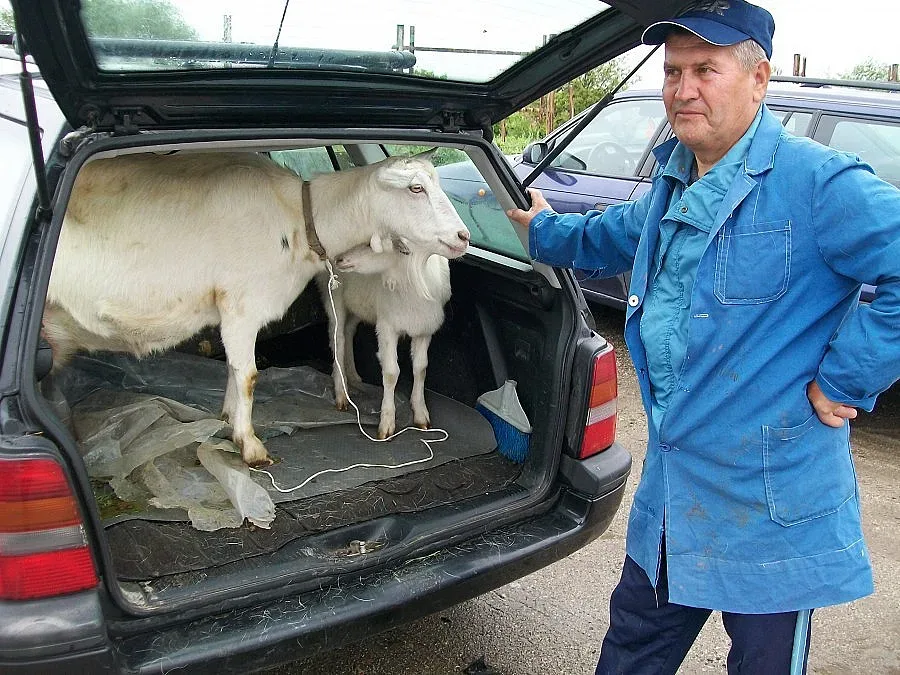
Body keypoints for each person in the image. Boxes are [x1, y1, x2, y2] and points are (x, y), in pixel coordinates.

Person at [507, 2, 900, 673]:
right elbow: (612, 234)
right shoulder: (673, 177)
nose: (681, 88)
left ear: (758, 77)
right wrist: (544, 231)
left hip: (768, 504)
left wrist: (847, 376)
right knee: (629, 654)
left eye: (705, 70)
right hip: (676, 498)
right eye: (672, 70)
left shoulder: (817, 183)